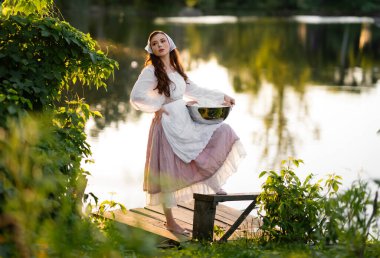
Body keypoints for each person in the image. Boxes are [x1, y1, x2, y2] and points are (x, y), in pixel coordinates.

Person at [130, 30, 246, 235]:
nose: (159, 45)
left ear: (170, 43)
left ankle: (211, 183)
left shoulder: (176, 69)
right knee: (167, 171)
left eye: (162, 41)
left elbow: (197, 91)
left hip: (183, 120)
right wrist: (158, 105)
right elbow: (136, 97)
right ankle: (171, 222)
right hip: (166, 124)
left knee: (219, 132)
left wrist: (223, 96)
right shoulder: (150, 71)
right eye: (155, 43)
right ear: (152, 49)